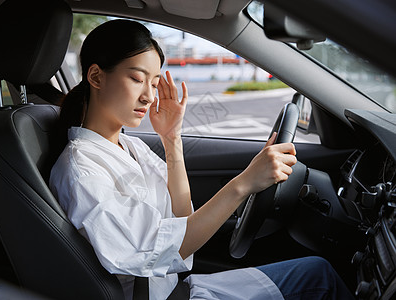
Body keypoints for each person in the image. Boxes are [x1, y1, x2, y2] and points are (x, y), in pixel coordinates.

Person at [49, 19, 354, 300]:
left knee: (318, 271)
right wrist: (244, 183)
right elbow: (160, 249)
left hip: (178, 289)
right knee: (321, 280)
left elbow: (181, 216)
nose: (149, 96)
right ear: (96, 76)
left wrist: (171, 139)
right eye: (137, 79)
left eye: (154, 83)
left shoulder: (127, 146)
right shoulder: (83, 170)